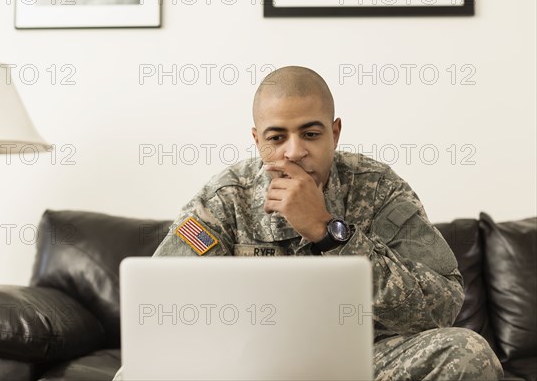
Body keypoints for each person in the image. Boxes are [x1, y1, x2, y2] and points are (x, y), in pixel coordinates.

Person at [114, 66, 503, 380]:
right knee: (135, 373)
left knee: (467, 352)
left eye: (311, 134)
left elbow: (442, 308)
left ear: (334, 133)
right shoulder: (226, 198)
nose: (295, 151)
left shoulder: (379, 190)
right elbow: (160, 309)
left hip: (364, 363)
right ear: (257, 141)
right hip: (249, 369)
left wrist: (328, 231)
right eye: (277, 137)